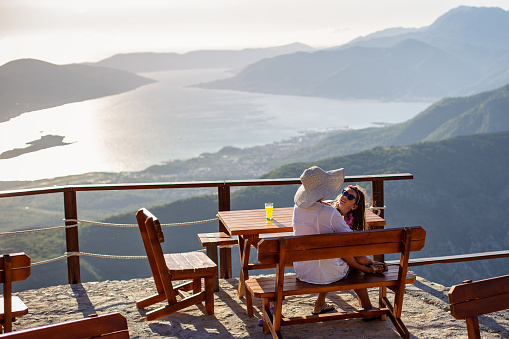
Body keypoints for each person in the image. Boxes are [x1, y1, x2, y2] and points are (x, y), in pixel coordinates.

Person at [292, 166, 385, 315]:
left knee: (336, 257)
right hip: (325, 273)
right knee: (354, 267)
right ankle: (367, 308)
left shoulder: (297, 209)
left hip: (303, 271)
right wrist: (366, 265)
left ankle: (320, 304)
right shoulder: (329, 212)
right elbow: (350, 240)